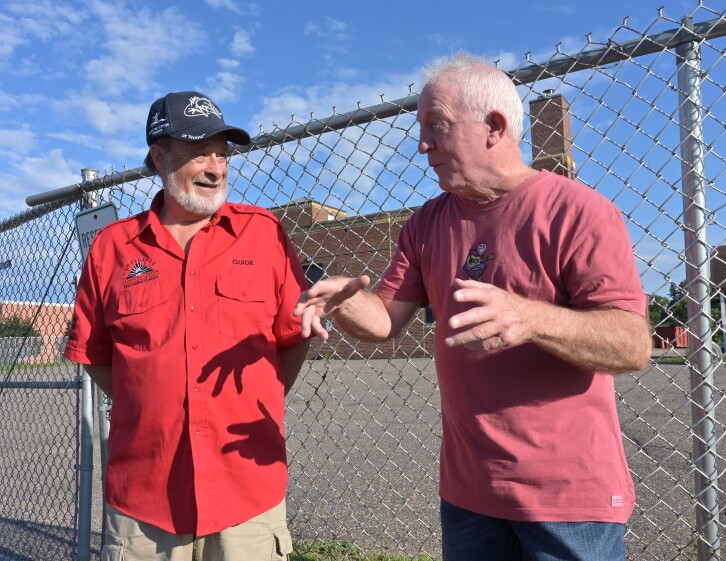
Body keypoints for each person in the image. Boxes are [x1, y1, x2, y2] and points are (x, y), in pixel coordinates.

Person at [294, 53, 651, 561]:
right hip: (469, 494)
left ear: (494, 126)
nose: (422, 146)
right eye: (421, 129)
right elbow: (386, 319)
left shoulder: (579, 211)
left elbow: (632, 344)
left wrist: (530, 317)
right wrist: (345, 302)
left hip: (568, 500)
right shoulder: (426, 223)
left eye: (435, 127)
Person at [65, 91, 309, 560]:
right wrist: (152, 400)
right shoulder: (113, 248)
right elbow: (95, 356)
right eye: (200, 152)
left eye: (222, 152)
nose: (216, 166)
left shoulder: (264, 233)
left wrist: (258, 394)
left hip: (246, 495)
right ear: (160, 157)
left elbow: (292, 339)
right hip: (145, 498)